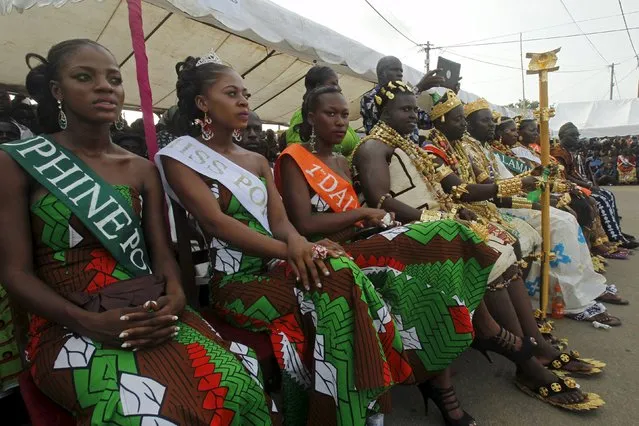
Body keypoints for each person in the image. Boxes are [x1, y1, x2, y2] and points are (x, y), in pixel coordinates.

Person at [0, 39, 277, 425]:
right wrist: (83, 321)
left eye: (114, 79)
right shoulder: (19, 163)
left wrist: (177, 297)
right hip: (65, 323)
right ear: (57, 91)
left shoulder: (141, 169)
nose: (105, 87)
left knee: (237, 388)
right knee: (147, 412)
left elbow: (160, 253)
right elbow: (14, 273)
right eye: (85, 77)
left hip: (146, 307)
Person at [156, 54, 414, 425]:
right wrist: (298, 250)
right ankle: (349, 410)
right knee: (334, 280)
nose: (245, 101)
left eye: (245, 93)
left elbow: (281, 222)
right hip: (233, 283)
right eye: (232, 94)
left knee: (336, 270)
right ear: (202, 103)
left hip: (277, 265)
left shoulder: (257, 160)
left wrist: (300, 246)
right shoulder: (180, 158)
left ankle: (346, 410)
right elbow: (217, 225)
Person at [351, 80, 604, 412]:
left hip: (433, 222)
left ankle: (534, 344)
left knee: (501, 250)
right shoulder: (373, 146)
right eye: (405, 109)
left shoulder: (405, 144)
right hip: (406, 232)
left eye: (415, 108)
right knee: (488, 252)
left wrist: (453, 213)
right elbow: (381, 201)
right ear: (385, 112)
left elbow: (447, 191)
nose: (414, 115)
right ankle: (526, 363)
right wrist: (437, 220)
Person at [274, 85, 501, 425]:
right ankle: (479, 339)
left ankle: (445, 363)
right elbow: (303, 222)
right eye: (330, 115)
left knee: (446, 239)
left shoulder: (340, 159)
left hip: (362, 240)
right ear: (310, 117)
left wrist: (368, 218)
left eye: (344, 116)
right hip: (327, 251)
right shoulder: (294, 158)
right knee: (436, 237)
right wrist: (362, 212)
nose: (340, 123)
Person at [464, 101, 627, 326]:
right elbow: (496, 187)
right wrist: (531, 194)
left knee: (568, 217)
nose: (492, 125)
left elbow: (512, 180)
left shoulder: (485, 148)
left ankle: (585, 286)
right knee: (558, 223)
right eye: (485, 121)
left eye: (492, 120)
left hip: (507, 200)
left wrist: (535, 179)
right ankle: (568, 299)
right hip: (494, 206)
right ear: (468, 125)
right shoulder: (467, 148)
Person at [554, 122, 637, 249]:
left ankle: (616, 231)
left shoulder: (568, 152)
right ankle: (615, 236)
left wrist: (588, 184)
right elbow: (565, 176)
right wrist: (588, 186)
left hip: (577, 185)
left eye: (577, 136)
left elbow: (575, 174)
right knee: (601, 199)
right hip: (566, 188)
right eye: (573, 136)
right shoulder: (557, 153)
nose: (577, 139)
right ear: (562, 136)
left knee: (608, 194)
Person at [360, 56, 444, 144]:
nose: (400, 74)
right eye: (395, 70)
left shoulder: (405, 101)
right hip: (387, 154)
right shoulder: (369, 98)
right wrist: (418, 88)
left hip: (410, 154)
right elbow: (380, 115)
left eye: (401, 71)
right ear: (381, 73)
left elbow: (429, 121)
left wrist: (447, 102)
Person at [286, 66, 360, 156]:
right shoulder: (301, 117)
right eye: (333, 83)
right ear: (318, 87)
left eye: (345, 114)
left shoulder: (339, 117)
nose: (339, 88)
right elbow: (300, 155)